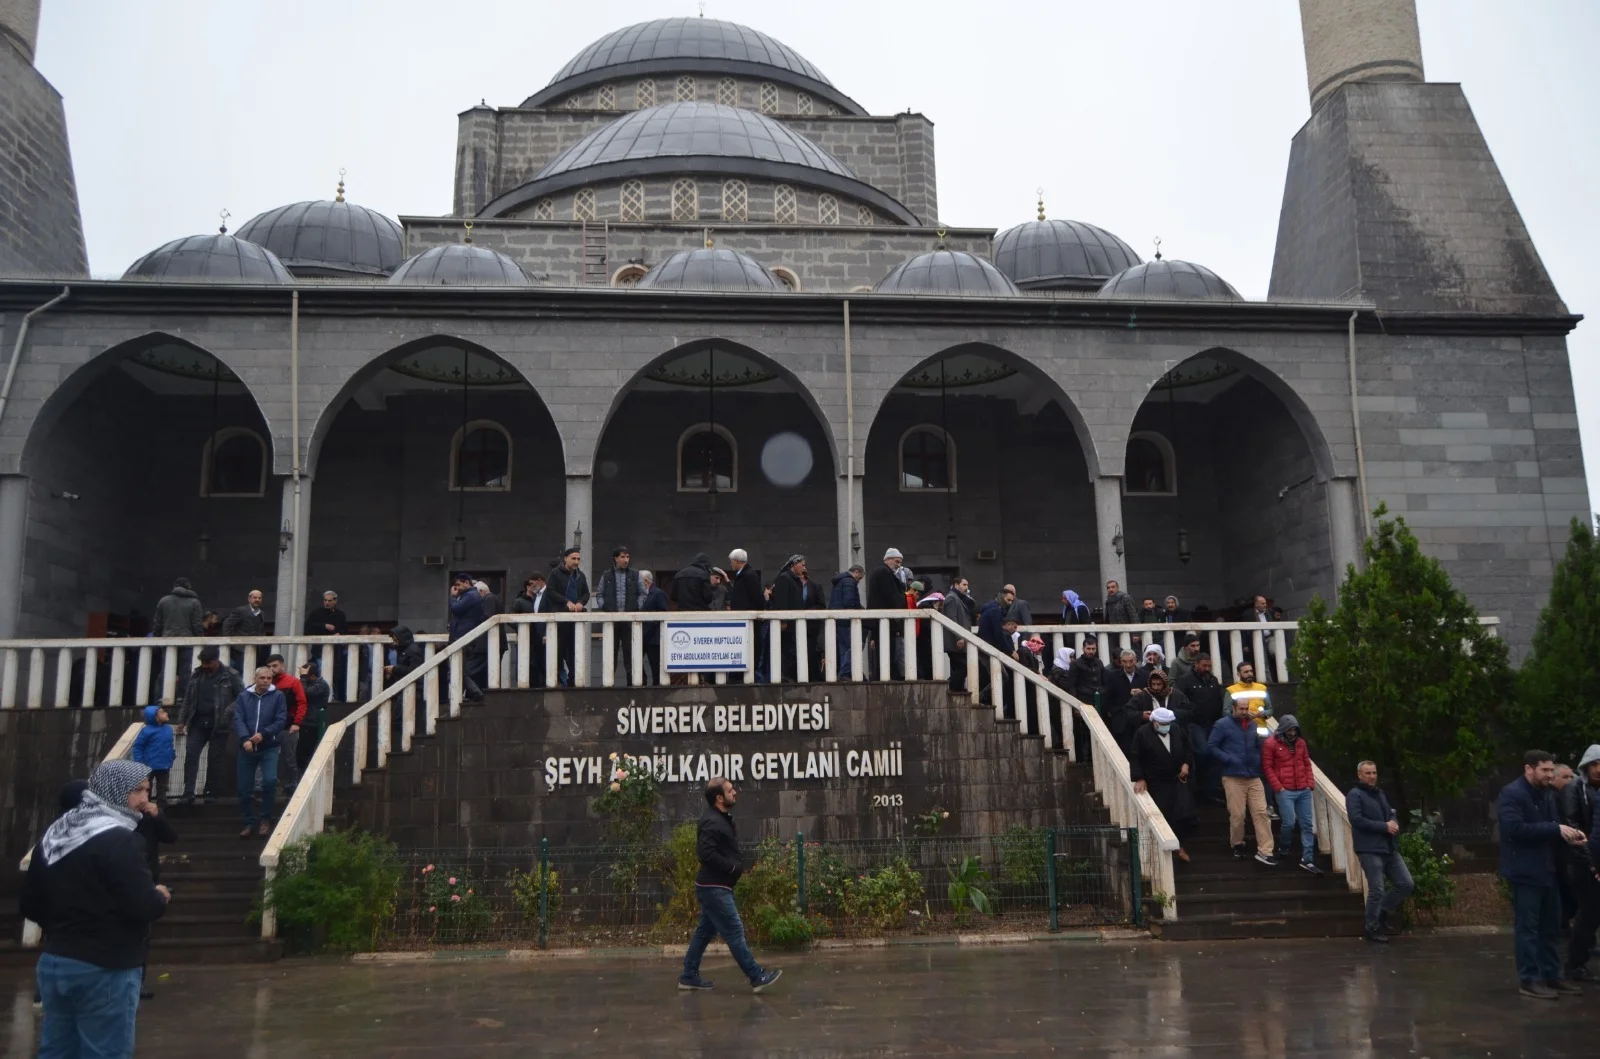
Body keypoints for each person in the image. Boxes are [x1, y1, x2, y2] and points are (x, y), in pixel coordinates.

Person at [21, 760, 171, 1058]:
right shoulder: (120, 839)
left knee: (57, 1049)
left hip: (55, 962)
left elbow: (29, 904)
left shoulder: (57, 833)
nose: (145, 799)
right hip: (106, 967)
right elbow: (143, 906)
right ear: (114, 790)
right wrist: (160, 895)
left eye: (148, 790)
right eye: (138, 790)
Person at [678, 776, 782, 994]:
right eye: (730, 790)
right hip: (714, 887)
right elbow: (706, 853)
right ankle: (756, 976)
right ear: (719, 797)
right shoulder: (711, 821)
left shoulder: (721, 817)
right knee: (734, 930)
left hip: (716, 886)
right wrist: (732, 868)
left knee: (705, 932)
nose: (734, 792)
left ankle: (688, 975)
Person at [1498, 750, 1588, 998]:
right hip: (1524, 872)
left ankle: (1552, 975)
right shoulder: (1512, 794)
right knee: (1528, 929)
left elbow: (1552, 829)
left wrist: (1570, 836)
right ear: (1529, 769)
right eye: (1545, 770)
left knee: (1551, 927)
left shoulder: (1546, 794)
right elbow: (1514, 829)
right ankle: (1529, 979)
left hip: (1547, 870)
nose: (1550, 775)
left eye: (1551, 770)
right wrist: (1555, 828)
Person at [1346, 760, 1414, 944]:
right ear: (1359, 775)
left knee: (1406, 883)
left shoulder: (1380, 793)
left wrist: (1393, 822)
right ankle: (1372, 928)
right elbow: (1357, 820)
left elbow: (1390, 812)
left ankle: (1382, 912)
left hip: (1388, 847)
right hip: (1369, 849)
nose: (1372, 776)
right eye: (1367, 773)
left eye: (1374, 773)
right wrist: (1384, 826)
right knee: (1376, 889)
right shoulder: (1355, 795)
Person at [1209, 691, 1276, 865]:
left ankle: (1266, 850)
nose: (1245, 711)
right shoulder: (1222, 725)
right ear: (1233, 708)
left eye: (1246, 708)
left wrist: (1260, 759)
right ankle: (1237, 843)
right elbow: (1212, 746)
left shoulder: (1253, 725)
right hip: (1233, 775)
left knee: (1261, 812)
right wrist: (1228, 759)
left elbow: (1259, 744)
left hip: (1253, 774)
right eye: (1241, 708)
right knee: (1238, 814)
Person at [177, 646, 243, 805]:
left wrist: (228, 712)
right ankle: (188, 792)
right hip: (198, 722)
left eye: (208, 663)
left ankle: (210, 792)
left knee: (215, 759)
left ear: (216, 660)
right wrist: (181, 720)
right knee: (191, 755)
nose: (205, 666)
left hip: (219, 724)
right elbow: (188, 699)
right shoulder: (197, 675)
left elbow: (242, 697)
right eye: (203, 662)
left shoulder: (231, 675)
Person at [1130, 706, 1195, 861]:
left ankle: (1180, 845)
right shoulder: (1142, 734)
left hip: (1177, 780)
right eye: (1163, 723)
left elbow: (1188, 750)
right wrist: (1139, 777)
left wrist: (1186, 764)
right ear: (1155, 722)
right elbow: (1135, 756)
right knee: (1162, 815)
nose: (1166, 725)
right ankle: (1161, 850)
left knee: (1183, 814)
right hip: (1156, 782)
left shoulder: (1177, 730)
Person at [1559, 744, 1600, 979]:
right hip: (1582, 862)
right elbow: (1572, 826)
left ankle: (1579, 960)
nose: (1597, 769)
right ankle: (1575, 964)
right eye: (1593, 764)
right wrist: (1593, 864)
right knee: (1589, 913)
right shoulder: (1575, 789)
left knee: (1592, 914)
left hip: (1597, 860)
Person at [233, 666, 287, 839]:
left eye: (269, 678)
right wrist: (245, 739)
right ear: (255, 678)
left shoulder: (278, 696)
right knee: (244, 787)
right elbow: (238, 718)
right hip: (247, 747)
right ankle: (249, 822)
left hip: (269, 746)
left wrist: (263, 734)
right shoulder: (243, 696)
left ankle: (265, 819)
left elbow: (280, 720)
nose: (265, 681)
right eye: (262, 678)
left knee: (270, 781)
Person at [1261, 714, 1320, 872]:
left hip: (1303, 789)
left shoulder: (1301, 743)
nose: (1292, 733)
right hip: (1285, 790)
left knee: (1307, 824)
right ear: (1283, 729)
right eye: (1289, 730)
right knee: (1289, 822)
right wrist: (1278, 787)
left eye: (1294, 730)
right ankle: (1284, 848)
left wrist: (1309, 784)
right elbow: (1267, 767)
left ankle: (1308, 858)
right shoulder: (1270, 744)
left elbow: (1306, 763)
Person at [1176, 653, 1225, 803]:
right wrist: (1192, 712)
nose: (1207, 668)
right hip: (1194, 724)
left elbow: (1218, 699)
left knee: (1215, 755)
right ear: (1196, 664)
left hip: (1212, 723)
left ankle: (1209, 790)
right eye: (1204, 665)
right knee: (1202, 752)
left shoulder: (1213, 680)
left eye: (1209, 666)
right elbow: (1179, 702)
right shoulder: (1185, 680)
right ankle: (1196, 787)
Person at [596, 546, 641, 683]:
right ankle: (609, 683)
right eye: (622, 557)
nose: (626, 560)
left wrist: (637, 607)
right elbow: (599, 594)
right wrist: (604, 606)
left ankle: (631, 683)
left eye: (627, 557)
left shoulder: (635, 575)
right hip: (612, 621)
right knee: (611, 653)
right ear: (615, 558)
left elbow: (643, 594)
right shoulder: (607, 575)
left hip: (629, 620)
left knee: (630, 653)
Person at [265, 654, 309, 792]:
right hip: (270, 726)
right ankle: (267, 786)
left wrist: (296, 723)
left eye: (275, 666)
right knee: (267, 756)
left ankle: (290, 786)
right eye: (270, 666)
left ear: (282, 666)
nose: (272, 669)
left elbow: (302, 703)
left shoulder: (292, 682)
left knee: (288, 757)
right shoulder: (266, 682)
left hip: (287, 725)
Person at [866, 548, 908, 680]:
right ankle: (884, 676)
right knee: (885, 650)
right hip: (884, 620)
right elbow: (890, 595)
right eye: (897, 561)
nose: (898, 565)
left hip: (880, 620)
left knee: (884, 650)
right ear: (888, 559)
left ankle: (884, 675)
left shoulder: (881, 572)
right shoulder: (884, 572)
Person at [448, 575, 490, 699]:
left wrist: (453, 597)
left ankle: (476, 693)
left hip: (465, 638)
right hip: (463, 637)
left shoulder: (471, 595)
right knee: (460, 670)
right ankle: (471, 694)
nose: (456, 588)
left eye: (458, 585)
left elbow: (456, 609)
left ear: (466, 583)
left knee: (460, 671)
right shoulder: (468, 595)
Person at [304, 590, 348, 699]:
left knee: (336, 675)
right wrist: (324, 625)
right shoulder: (316, 613)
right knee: (321, 674)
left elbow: (344, 629)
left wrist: (339, 633)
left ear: (335, 601)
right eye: (325, 600)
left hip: (336, 652)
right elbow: (308, 627)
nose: (327, 603)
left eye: (329, 600)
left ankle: (333, 697)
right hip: (319, 651)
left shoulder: (340, 614)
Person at [508, 572, 547, 687]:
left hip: (539, 638)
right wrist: (523, 628)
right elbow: (510, 617)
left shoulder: (539, 599)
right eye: (531, 585)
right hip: (527, 639)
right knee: (528, 664)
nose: (534, 587)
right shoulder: (519, 601)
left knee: (541, 664)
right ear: (527, 587)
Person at [130, 705, 175, 802]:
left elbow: (170, 744)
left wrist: (172, 755)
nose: (166, 713)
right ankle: (146, 811)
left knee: (162, 790)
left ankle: (160, 810)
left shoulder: (168, 729)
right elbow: (137, 747)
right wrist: (140, 762)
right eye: (162, 712)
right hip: (149, 766)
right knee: (147, 789)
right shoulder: (146, 731)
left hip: (165, 765)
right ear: (156, 718)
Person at [828, 564, 866, 679]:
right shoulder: (849, 582)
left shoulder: (840, 581)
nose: (859, 581)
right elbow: (849, 602)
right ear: (856, 572)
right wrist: (861, 610)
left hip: (838, 620)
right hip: (846, 620)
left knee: (844, 648)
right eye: (859, 578)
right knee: (853, 646)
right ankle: (845, 673)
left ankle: (846, 673)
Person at [296, 659, 332, 776]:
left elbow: (305, 693)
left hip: (312, 723)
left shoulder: (321, 685)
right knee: (300, 754)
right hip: (303, 722)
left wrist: (303, 678)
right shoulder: (309, 683)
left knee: (307, 754)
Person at [941, 576, 975, 692]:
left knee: (957, 667)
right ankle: (951, 685)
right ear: (956, 585)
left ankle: (957, 689)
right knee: (963, 666)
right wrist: (959, 637)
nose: (966, 587)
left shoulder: (957, 598)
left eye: (967, 585)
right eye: (964, 585)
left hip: (957, 640)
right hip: (954, 641)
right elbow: (952, 619)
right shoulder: (952, 598)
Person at [638, 571, 669, 683]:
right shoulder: (639, 594)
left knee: (655, 665)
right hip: (640, 635)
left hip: (654, 636)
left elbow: (664, 612)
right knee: (635, 662)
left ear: (646, 581)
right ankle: (642, 682)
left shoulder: (658, 593)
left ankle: (656, 688)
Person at [1068, 638, 1106, 706]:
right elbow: (1072, 685)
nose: (1091, 651)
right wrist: (1075, 704)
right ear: (1083, 649)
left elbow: (1104, 680)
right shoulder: (1076, 664)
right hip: (1084, 699)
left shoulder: (1099, 662)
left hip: (1100, 698)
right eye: (1088, 648)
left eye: (1093, 649)